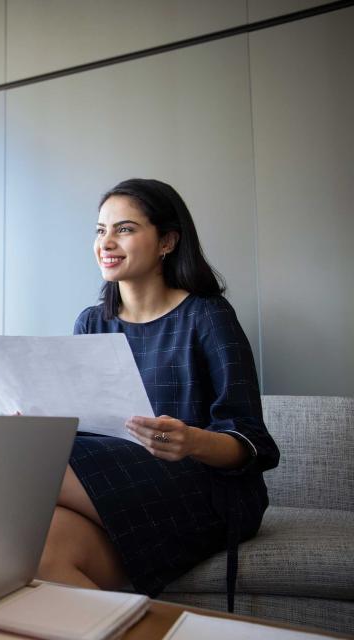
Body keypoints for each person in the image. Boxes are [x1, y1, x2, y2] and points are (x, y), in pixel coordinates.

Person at [36, 178, 278, 611]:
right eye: (99, 230)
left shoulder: (207, 316)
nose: (106, 242)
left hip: (205, 490)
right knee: (44, 546)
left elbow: (253, 444)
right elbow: (86, 432)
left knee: (26, 464)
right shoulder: (92, 323)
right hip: (118, 482)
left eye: (124, 229)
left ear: (167, 240)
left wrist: (193, 440)